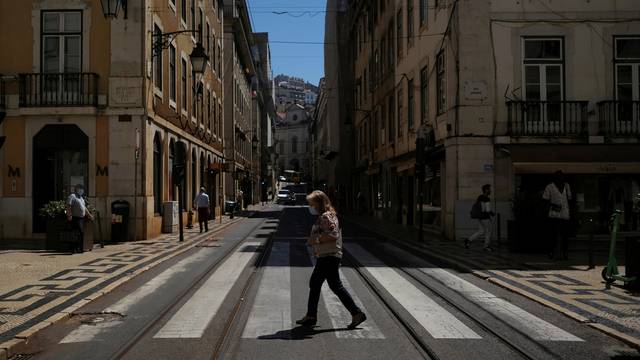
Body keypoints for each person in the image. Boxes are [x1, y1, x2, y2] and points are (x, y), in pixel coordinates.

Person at [296, 190, 367, 329]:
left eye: (312, 204)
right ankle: (312, 315)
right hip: (329, 256)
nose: (311, 207)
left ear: (318, 203)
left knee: (321, 284)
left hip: (329, 256)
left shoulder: (326, 217)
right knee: (328, 285)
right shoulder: (328, 215)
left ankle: (355, 313)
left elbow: (333, 235)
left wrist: (315, 239)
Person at [543, 171, 572, 260]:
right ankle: (551, 251)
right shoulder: (550, 187)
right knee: (553, 235)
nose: (561, 179)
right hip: (554, 215)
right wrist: (553, 205)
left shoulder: (567, 186)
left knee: (565, 236)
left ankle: (565, 253)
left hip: (565, 214)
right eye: (559, 177)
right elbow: (545, 200)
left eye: (562, 177)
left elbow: (569, 199)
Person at [465, 184, 495, 252]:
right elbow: (487, 210)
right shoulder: (486, 198)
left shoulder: (480, 197)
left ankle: (469, 240)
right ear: (486, 190)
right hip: (485, 218)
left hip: (480, 217)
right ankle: (486, 246)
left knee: (481, 231)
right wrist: (492, 213)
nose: (490, 191)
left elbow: (478, 206)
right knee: (488, 231)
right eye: (489, 189)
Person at [66, 184, 93, 253]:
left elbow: (84, 208)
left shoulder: (81, 198)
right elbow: (69, 205)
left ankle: (79, 248)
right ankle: (73, 249)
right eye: (80, 188)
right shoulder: (72, 196)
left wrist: (89, 215)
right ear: (76, 189)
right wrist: (69, 215)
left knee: (80, 233)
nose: (81, 190)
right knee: (76, 233)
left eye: (82, 188)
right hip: (75, 218)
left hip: (81, 218)